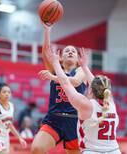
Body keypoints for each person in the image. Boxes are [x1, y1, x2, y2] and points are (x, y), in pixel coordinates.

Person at [44, 48, 121, 153]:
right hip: (115, 151)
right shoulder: (111, 104)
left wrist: (56, 63)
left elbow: (65, 83)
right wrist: (84, 66)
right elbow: (98, 85)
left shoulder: (85, 105)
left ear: (90, 90)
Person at [31, 24, 86, 154]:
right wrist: (47, 31)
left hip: (75, 121)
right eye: (67, 51)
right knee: (36, 149)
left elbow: (76, 81)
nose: (71, 52)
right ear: (61, 58)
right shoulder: (56, 69)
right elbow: (46, 53)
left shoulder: (81, 70)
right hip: (54, 119)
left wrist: (53, 77)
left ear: (78, 59)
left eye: (73, 51)